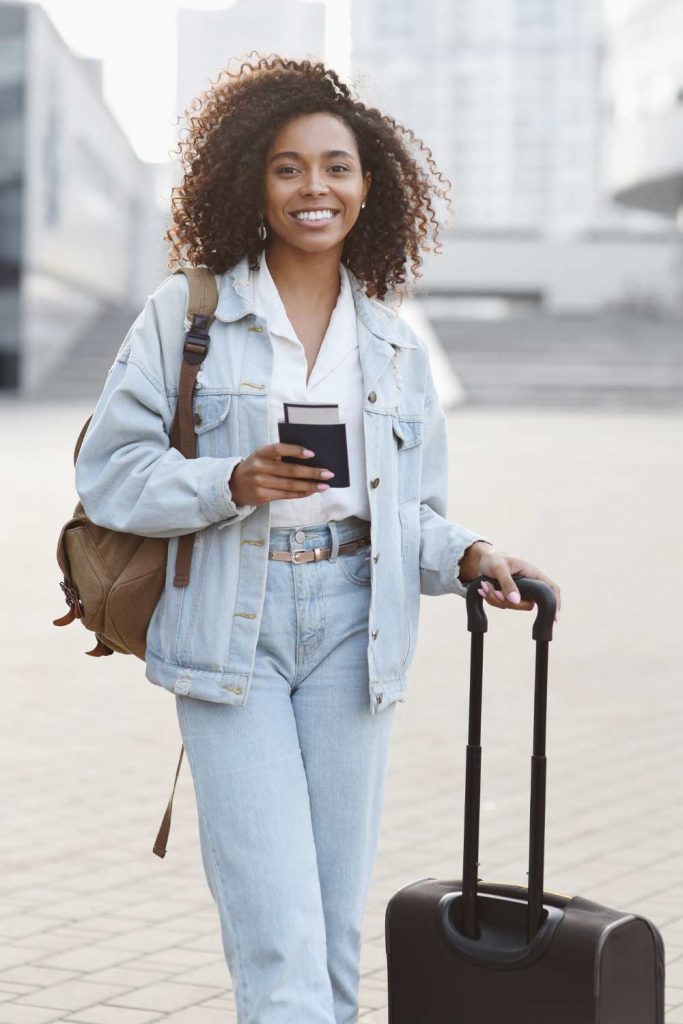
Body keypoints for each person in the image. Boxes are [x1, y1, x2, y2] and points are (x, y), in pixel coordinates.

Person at [75, 54, 561, 1024]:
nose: (314, 188)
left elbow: (411, 511)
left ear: (368, 185)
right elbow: (109, 471)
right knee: (279, 939)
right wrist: (227, 481)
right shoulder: (192, 309)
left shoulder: (389, 341)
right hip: (230, 631)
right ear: (252, 179)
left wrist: (467, 553)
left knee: (334, 936)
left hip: (352, 630)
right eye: (289, 167)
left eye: (335, 167)